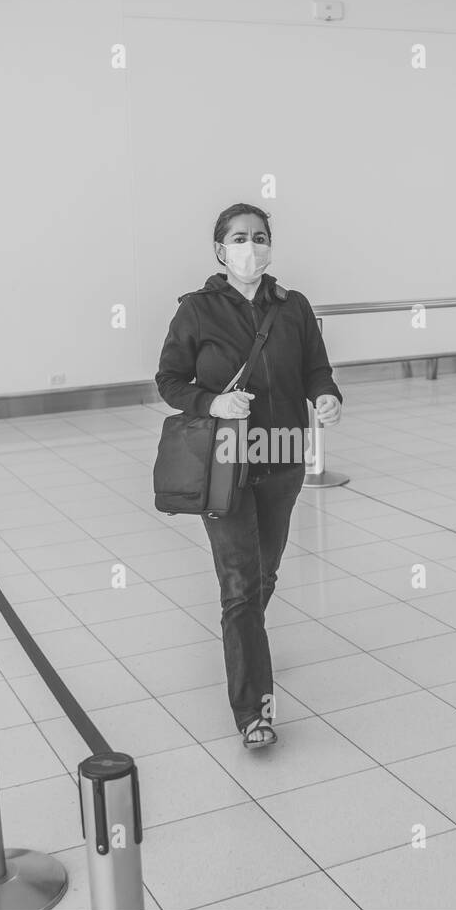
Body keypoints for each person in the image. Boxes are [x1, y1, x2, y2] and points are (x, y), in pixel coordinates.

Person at [155, 203, 343, 749]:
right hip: (224, 465)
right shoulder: (196, 310)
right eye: (239, 238)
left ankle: (246, 642)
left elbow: (315, 367)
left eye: (260, 237)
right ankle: (253, 708)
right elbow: (169, 380)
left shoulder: (293, 307)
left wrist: (326, 395)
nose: (251, 247)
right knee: (239, 586)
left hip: (282, 456)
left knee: (265, 573)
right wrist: (211, 403)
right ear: (220, 249)